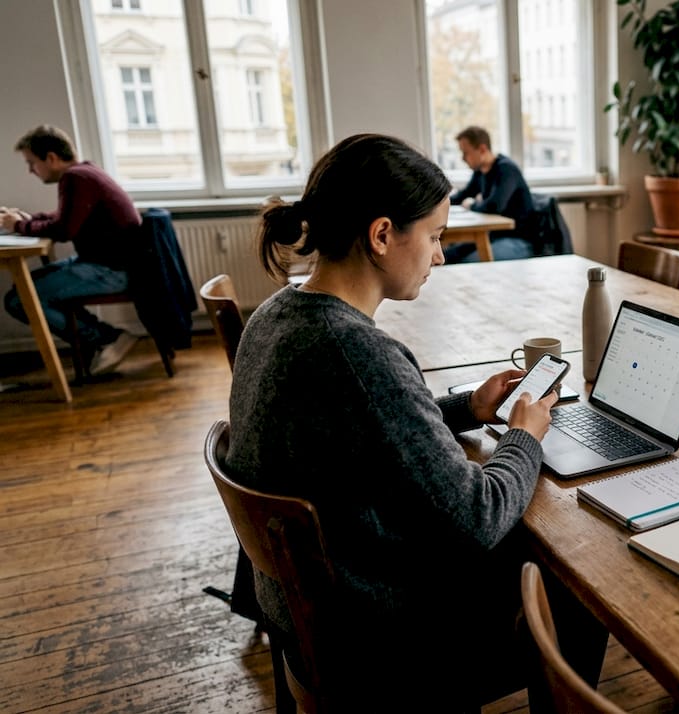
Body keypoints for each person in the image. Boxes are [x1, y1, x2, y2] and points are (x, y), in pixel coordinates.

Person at [225, 133, 606, 710]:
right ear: (381, 235)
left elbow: (370, 430)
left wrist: (466, 408)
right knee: (580, 574)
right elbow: (478, 516)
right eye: (433, 237)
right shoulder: (357, 353)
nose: (438, 256)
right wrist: (525, 435)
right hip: (382, 638)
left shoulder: (275, 314)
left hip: (305, 607)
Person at [1, 125, 142, 375]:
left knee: (19, 299)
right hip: (108, 263)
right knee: (25, 290)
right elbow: (63, 218)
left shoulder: (75, 178)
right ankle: (100, 338)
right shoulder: (86, 171)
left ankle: (106, 338)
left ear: (52, 158)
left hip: (110, 270)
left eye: (31, 163)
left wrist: (20, 225)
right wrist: (26, 219)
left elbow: (64, 230)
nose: (31, 171)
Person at [446, 125, 537, 262]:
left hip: (518, 240)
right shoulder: (480, 172)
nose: (463, 158)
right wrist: (439, 203)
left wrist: (471, 205)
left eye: (466, 153)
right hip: (493, 236)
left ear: (482, 149)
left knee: (469, 263)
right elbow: (463, 196)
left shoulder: (506, 170)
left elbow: (494, 206)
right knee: (447, 256)